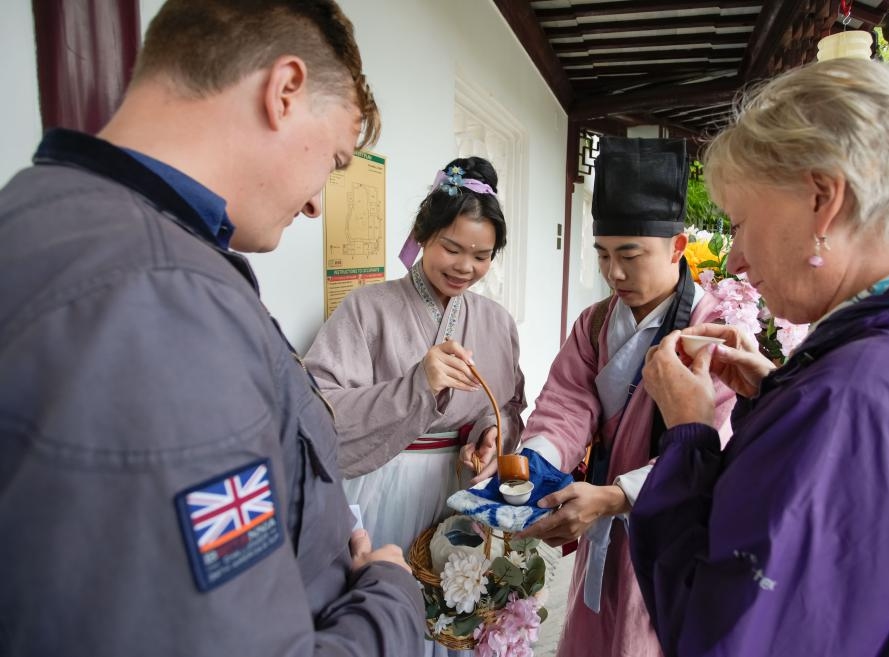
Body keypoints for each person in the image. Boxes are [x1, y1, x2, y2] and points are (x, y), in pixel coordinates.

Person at [0, 2, 424, 655]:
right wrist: (390, 597)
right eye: (335, 159)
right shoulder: (161, 303)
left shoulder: (41, 217)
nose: (316, 201)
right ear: (284, 91)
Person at [633, 58, 889, 657]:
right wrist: (784, 391)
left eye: (739, 224)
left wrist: (688, 432)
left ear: (823, 199)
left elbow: (722, 631)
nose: (734, 260)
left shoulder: (855, 400)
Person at [475, 137, 737, 657]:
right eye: (602, 254)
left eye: (630, 255)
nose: (613, 273)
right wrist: (532, 466)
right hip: (598, 518)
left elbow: (717, 440)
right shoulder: (596, 324)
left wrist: (619, 496)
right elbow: (566, 404)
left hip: (666, 524)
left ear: (677, 247)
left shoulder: (714, 331)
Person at [304, 156, 525, 552]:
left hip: (462, 489)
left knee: (460, 602)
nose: (464, 267)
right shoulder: (366, 307)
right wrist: (416, 385)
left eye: (481, 256)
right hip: (383, 483)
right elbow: (317, 410)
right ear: (423, 235)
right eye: (451, 248)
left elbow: (508, 406)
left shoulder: (499, 322)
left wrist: (491, 434)